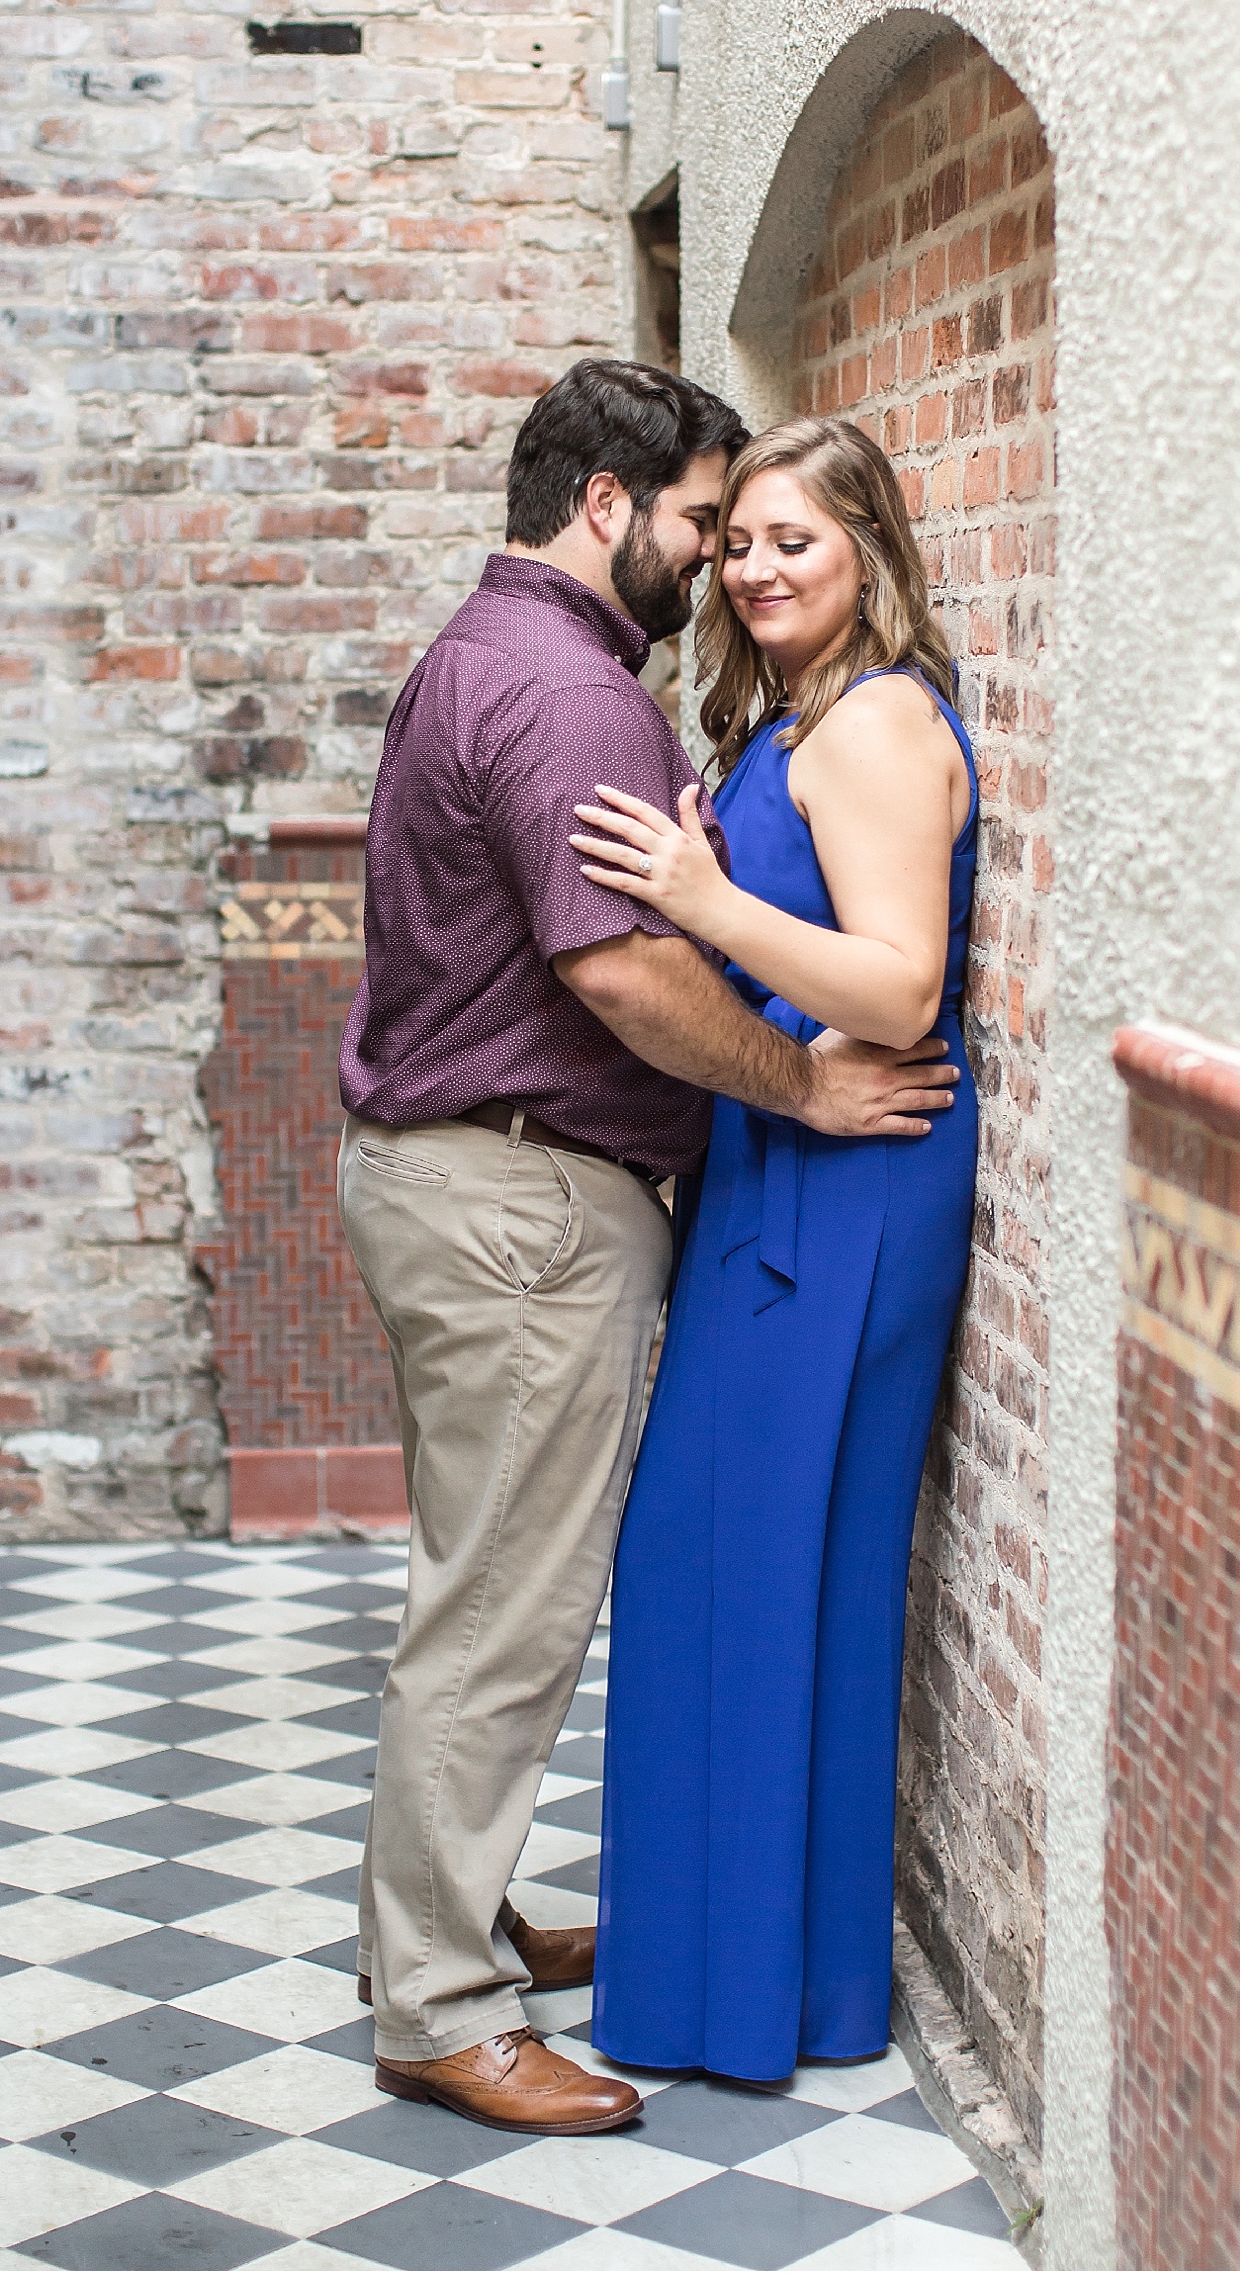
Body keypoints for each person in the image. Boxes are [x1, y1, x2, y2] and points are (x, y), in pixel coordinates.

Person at [336, 363, 960, 2136]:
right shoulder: (571, 692)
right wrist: (797, 1085)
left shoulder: (481, 649)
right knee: (503, 1612)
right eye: (704, 520)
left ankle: (448, 1923)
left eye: (767, 531)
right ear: (607, 503)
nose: (715, 561)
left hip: (455, 1179)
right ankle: (440, 2000)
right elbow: (617, 966)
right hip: (520, 1201)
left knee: (485, 1581)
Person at [574, 413, 981, 2083]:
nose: (749, 569)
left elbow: (898, 984)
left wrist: (696, 891)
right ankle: (771, 1983)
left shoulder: (877, 725)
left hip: (848, 1171)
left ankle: (748, 1993)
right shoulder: (800, 715)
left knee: (743, 1559)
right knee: (742, 1565)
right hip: (785, 1153)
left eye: (791, 541)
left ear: (869, 552)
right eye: (735, 542)